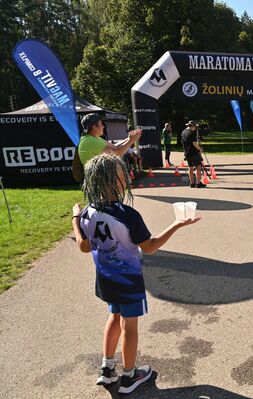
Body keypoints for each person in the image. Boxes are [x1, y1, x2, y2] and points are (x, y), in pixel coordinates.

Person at [71, 154, 200, 394]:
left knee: (114, 316)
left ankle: (107, 368)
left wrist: (74, 218)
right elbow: (149, 247)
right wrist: (177, 224)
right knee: (130, 325)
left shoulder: (87, 212)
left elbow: (83, 246)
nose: (128, 178)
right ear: (110, 182)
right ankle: (130, 376)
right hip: (128, 280)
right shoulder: (128, 215)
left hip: (105, 278)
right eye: (122, 176)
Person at [78, 113, 142, 166]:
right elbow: (117, 153)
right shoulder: (90, 141)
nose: (103, 126)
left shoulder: (92, 138)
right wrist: (131, 140)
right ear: (94, 127)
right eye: (101, 124)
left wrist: (129, 139)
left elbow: (114, 146)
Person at [181, 120, 206, 188]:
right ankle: (198, 183)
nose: (195, 128)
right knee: (198, 167)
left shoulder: (183, 132)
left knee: (190, 167)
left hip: (187, 152)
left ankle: (192, 183)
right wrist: (200, 149)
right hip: (193, 152)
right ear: (192, 126)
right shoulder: (192, 133)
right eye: (195, 127)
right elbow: (194, 143)